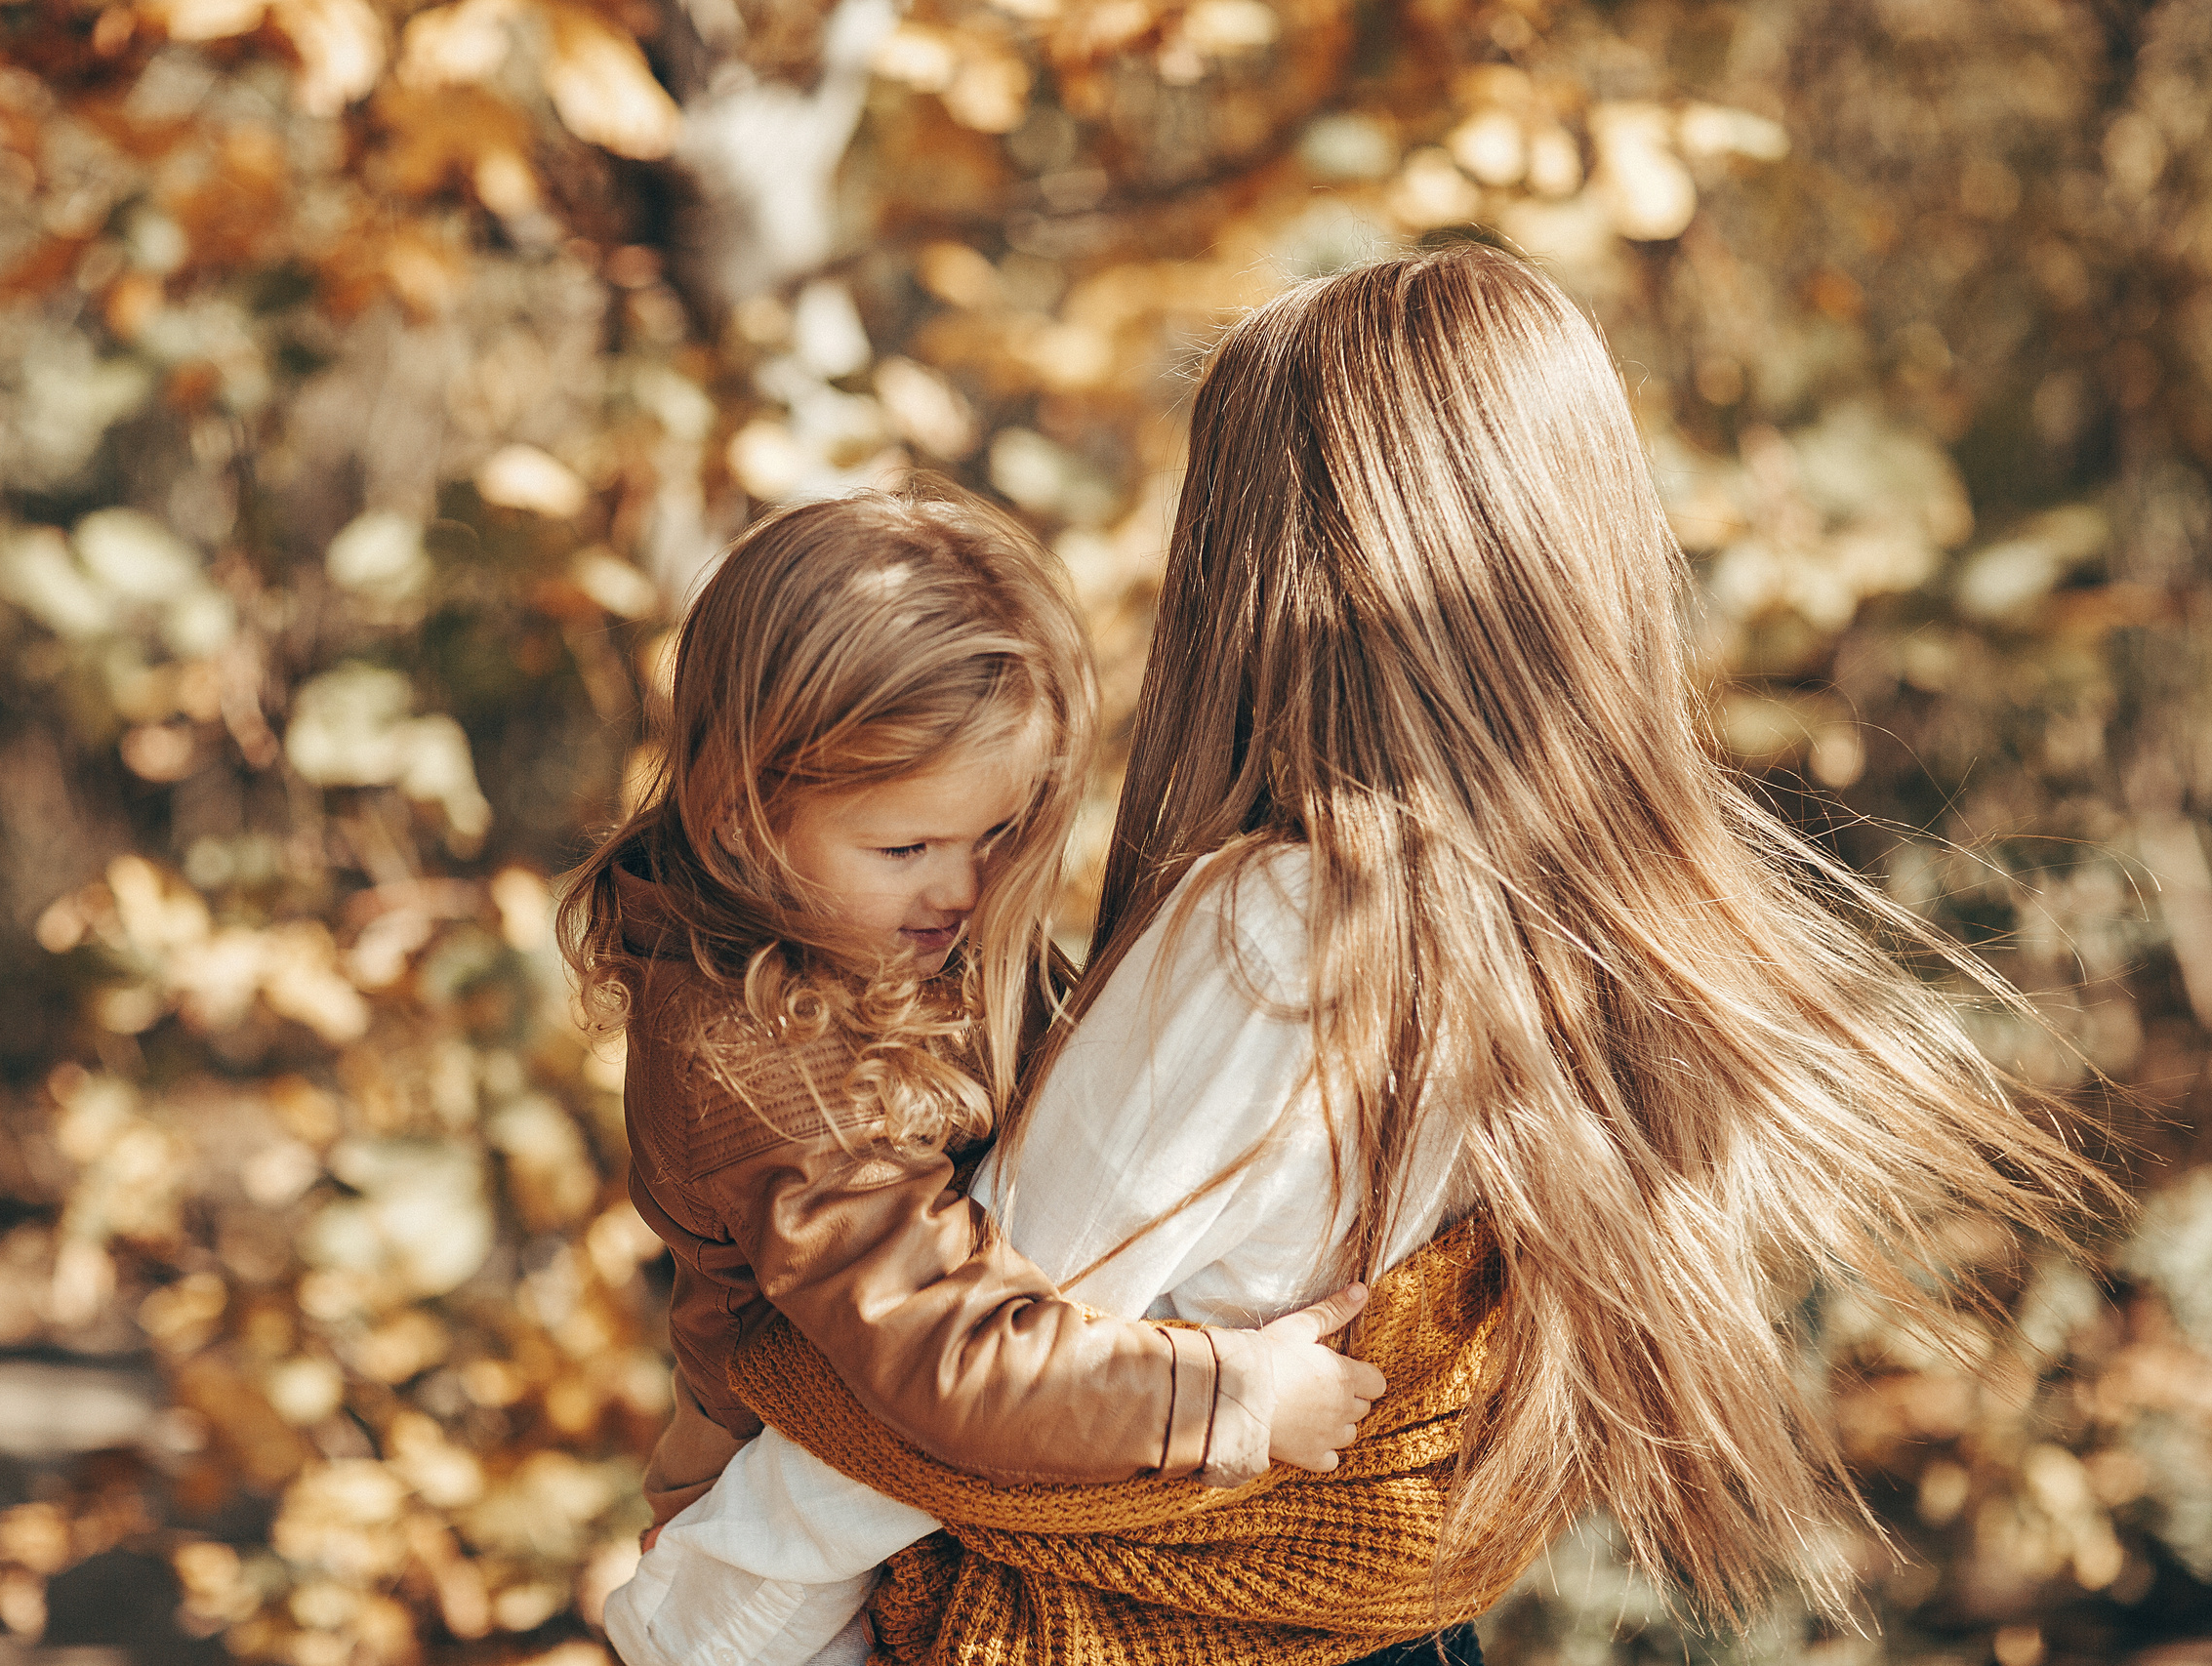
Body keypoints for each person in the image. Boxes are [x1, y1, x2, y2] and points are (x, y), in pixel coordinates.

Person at [605, 244, 2110, 1666]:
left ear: (1259, 572)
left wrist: (697, 1614)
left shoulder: (1283, 927)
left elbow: (955, 1374)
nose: (966, 881)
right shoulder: (1547, 929)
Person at [553, 490, 1388, 1639]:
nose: (959, 889)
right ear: (741, 815)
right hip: (779, 1555)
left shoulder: (886, 927)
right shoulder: (756, 1063)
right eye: (906, 848)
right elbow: (937, 1347)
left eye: (995, 836)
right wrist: (1221, 1398)